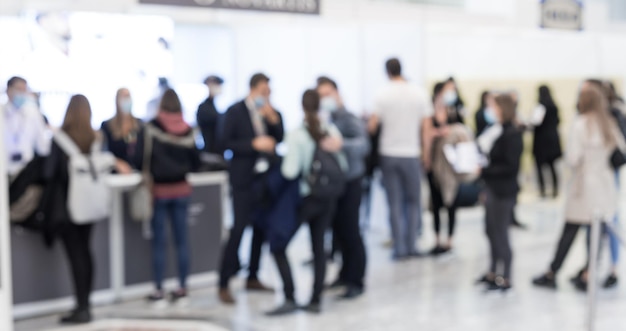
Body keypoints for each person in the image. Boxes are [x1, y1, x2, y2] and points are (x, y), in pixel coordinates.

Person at [44, 95, 129, 324]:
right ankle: (85, 304)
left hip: (67, 207)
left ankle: (81, 307)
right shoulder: (95, 138)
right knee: (85, 252)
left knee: (76, 255)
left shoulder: (60, 140)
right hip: (89, 204)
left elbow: (49, 173)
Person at [533, 82, 624, 291]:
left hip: (584, 187)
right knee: (595, 234)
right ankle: (588, 273)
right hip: (605, 185)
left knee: (569, 231)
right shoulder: (608, 122)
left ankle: (553, 272)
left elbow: (573, 158)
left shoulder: (581, 124)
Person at [268, 89, 346, 316]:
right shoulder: (330, 130)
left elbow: (290, 171)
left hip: (306, 198)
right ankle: (315, 299)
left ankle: (290, 296)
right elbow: (342, 166)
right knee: (319, 247)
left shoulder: (297, 135)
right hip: (328, 197)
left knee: (278, 245)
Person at [218, 73, 284, 304]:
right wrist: (252, 144)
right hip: (243, 179)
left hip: (264, 179)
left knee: (261, 229)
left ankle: (253, 276)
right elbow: (224, 143)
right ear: (253, 89)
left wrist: (273, 118)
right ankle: (224, 282)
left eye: (269, 93)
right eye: (263, 92)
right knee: (239, 228)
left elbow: (280, 138)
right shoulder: (235, 111)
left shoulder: (269, 113)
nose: (266, 96)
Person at [134, 89, 201, 306]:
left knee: (159, 242)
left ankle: (159, 290)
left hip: (160, 192)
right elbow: (196, 162)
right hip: (182, 190)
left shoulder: (151, 128)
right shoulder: (188, 130)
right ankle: (182, 287)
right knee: (182, 241)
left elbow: (139, 158)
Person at [369, 58, 433, 260]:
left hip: (388, 153)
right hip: (411, 153)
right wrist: (427, 154)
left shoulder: (382, 94)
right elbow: (426, 128)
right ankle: (411, 244)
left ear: (387, 71)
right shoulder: (418, 93)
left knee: (394, 203)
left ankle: (399, 248)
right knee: (413, 202)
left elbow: (372, 126)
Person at [317, 76, 369, 299]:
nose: (325, 99)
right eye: (321, 96)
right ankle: (345, 274)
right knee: (338, 232)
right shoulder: (325, 119)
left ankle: (356, 279)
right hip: (335, 184)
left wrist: (342, 145)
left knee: (351, 231)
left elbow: (363, 145)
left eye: (328, 94)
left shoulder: (348, 118)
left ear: (337, 93)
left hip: (351, 181)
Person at [475, 93, 523, 292]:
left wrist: (485, 170)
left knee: (501, 232)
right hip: (492, 187)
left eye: (494, 107)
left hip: (504, 190)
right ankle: (493, 271)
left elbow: (511, 166)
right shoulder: (497, 130)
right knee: (490, 230)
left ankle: (507, 275)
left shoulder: (512, 133)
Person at [422, 82, 463, 255]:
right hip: (434, 165)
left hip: (451, 166)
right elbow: (425, 138)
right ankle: (437, 239)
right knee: (436, 203)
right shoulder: (428, 115)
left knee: (452, 202)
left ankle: (450, 240)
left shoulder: (454, 113)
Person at [3, 76, 50, 176]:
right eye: (18, 89)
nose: (22, 93)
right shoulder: (2, 112)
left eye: (24, 90)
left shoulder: (34, 114)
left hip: (26, 172)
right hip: (3, 168)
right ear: (8, 90)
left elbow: (43, 147)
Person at [531, 85, 562, 198]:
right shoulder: (554, 106)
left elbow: (535, 123)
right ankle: (555, 189)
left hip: (541, 141)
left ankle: (543, 190)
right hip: (553, 140)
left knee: (540, 167)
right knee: (552, 166)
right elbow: (558, 121)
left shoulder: (540, 107)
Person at [101, 88, 142, 165]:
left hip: (136, 171)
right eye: (124, 97)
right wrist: (116, 162)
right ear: (117, 100)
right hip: (114, 172)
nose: (127, 100)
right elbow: (103, 152)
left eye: (128, 96)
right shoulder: (107, 126)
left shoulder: (140, 124)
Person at [197, 75, 224, 154]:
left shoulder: (214, 105)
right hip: (209, 150)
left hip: (217, 150)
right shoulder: (204, 107)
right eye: (217, 85)